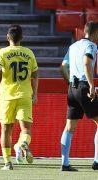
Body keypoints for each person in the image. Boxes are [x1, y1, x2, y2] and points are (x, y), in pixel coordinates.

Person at [0, 24, 39, 170]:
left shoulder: (2, 53)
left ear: (8, 37)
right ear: (22, 37)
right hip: (24, 95)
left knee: (5, 129)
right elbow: (35, 75)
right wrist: (35, 94)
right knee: (26, 130)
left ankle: (7, 162)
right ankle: (23, 143)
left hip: (7, 96)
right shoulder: (29, 53)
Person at [60, 21, 98, 171]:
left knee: (69, 127)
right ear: (95, 32)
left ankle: (65, 163)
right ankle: (96, 161)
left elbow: (63, 67)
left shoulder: (73, 46)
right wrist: (91, 85)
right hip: (83, 87)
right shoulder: (91, 46)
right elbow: (87, 63)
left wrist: (70, 81)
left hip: (72, 88)